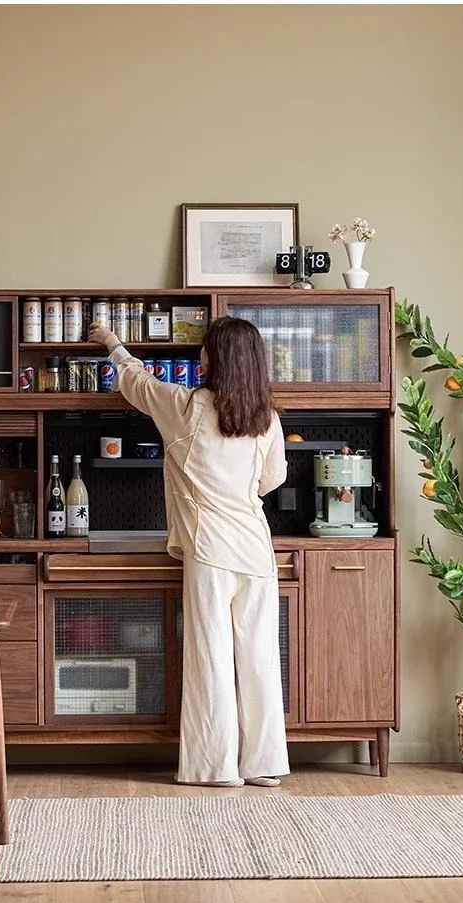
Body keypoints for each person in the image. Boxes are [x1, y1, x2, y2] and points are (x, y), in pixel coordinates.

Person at [89, 316, 289, 788]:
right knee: (260, 658)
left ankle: (213, 767)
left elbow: (138, 383)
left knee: (210, 657)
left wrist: (112, 343)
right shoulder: (266, 418)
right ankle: (262, 765)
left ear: (216, 360)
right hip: (256, 548)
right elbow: (272, 480)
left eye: (204, 350)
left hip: (210, 549)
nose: (199, 357)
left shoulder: (188, 407)